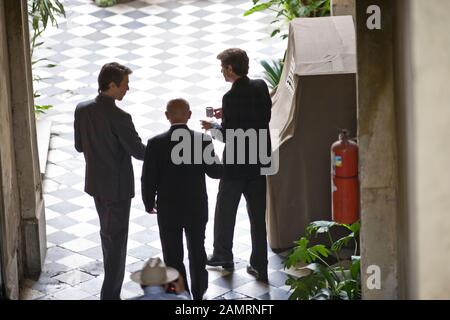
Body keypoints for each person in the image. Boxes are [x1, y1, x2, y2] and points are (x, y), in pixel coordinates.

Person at [74, 62, 146, 300]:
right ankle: (110, 295)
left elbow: (78, 146)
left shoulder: (82, 109)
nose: (128, 89)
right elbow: (138, 152)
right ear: (112, 85)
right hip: (117, 189)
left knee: (107, 235)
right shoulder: (120, 116)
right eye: (125, 85)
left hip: (96, 184)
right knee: (116, 242)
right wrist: (163, 147)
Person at [201, 48, 272, 282]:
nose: (222, 71)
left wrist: (212, 126)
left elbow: (230, 135)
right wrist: (228, 115)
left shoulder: (230, 98)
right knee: (257, 217)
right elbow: (261, 117)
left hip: (236, 165)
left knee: (225, 211)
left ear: (230, 69)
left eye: (223, 68)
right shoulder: (260, 86)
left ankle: (223, 256)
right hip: (260, 162)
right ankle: (260, 265)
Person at [141, 98, 223, 300]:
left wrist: (148, 202)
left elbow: (148, 178)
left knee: (172, 254)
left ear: (167, 116)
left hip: (169, 209)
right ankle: (199, 293)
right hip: (196, 207)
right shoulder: (201, 140)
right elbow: (215, 172)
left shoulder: (155, 143)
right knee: (197, 251)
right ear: (189, 115)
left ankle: (180, 294)